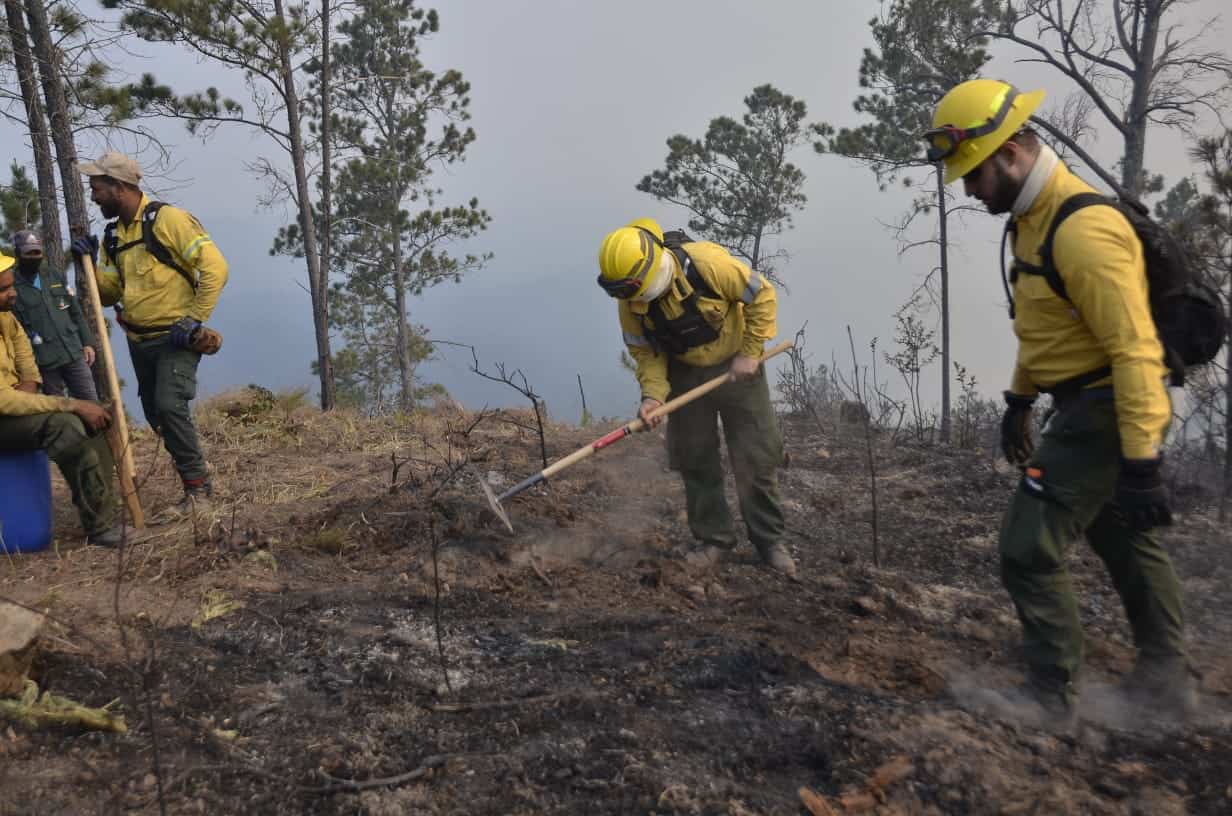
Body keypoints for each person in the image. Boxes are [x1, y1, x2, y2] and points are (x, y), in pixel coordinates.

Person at [925, 79, 1188, 720]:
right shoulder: (1032, 222)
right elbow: (1047, 326)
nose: (968, 189)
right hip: (1081, 403)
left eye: (975, 173)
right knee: (1126, 541)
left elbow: (1135, 352)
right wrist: (1020, 398)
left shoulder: (1083, 232)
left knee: (1026, 546)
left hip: (1106, 410)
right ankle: (1168, 684)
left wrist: (1143, 460)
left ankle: (1050, 699)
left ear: (1012, 152)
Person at [596, 218, 794, 577]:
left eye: (630, 289)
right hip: (685, 375)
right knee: (695, 458)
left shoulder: (708, 266)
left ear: (648, 270)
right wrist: (654, 397)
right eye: (620, 292)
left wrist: (750, 353)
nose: (626, 298)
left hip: (739, 367)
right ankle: (714, 539)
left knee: (755, 455)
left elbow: (762, 294)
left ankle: (769, 541)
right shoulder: (632, 303)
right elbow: (646, 354)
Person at [70, 152, 229, 516]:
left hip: (176, 339)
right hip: (139, 341)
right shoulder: (115, 234)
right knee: (156, 414)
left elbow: (216, 268)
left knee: (171, 405)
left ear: (120, 187)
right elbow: (109, 294)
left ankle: (199, 491)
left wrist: (193, 319)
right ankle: (194, 476)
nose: (93, 197)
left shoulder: (168, 220)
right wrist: (90, 266)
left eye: (97, 189)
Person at [0, 251, 120, 546]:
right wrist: (73, 403)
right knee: (65, 424)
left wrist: (23, 402)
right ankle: (100, 527)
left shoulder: (9, 322)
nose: (12, 294)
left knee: (94, 419)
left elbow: (30, 375)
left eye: (11, 285)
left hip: (10, 413)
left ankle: (106, 511)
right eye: (3, 289)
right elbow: (4, 402)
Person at [10, 230, 100, 401]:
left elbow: (75, 312)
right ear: (18, 254)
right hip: (44, 360)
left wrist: (87, 343)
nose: (34, 256)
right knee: (59, 409)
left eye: (37, 252)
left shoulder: (53, 275)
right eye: (29, 253)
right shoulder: (12, 287)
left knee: (91, 402)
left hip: (72, 351)